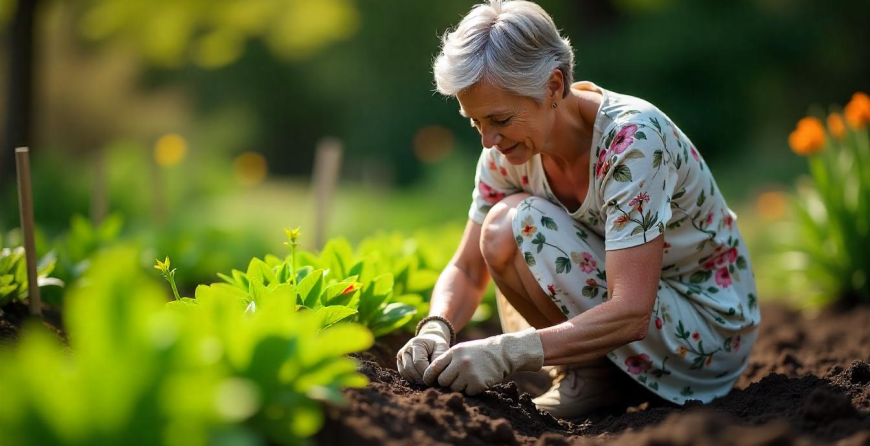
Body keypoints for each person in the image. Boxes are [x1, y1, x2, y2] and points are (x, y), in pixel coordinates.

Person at [396, 0, 760, 419]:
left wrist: (507, 352)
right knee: (500, 228)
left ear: (552, 87)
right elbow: (467, 268)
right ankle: (593, 379)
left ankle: (597, 378)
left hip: (706, 335)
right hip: (633, 329)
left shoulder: (632, 140)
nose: (487, 140)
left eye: (499, 118)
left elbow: (631, 311)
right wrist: (436, 328)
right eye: (476, 123)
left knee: (523, 222)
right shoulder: (506, 153)